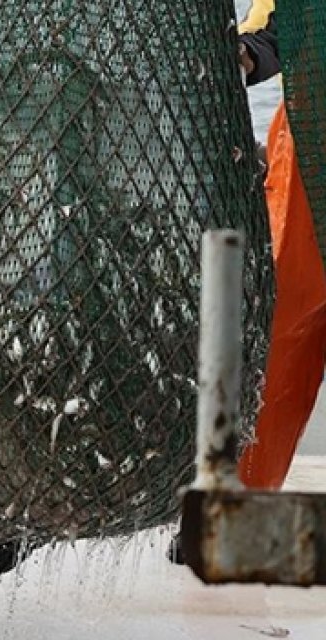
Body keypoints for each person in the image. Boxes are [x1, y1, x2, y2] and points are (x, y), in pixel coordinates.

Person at [233, 0, 326, 491]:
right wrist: (244, 54)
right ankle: (240, 498)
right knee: (279, 331)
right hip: (309, 152)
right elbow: (266, 32)